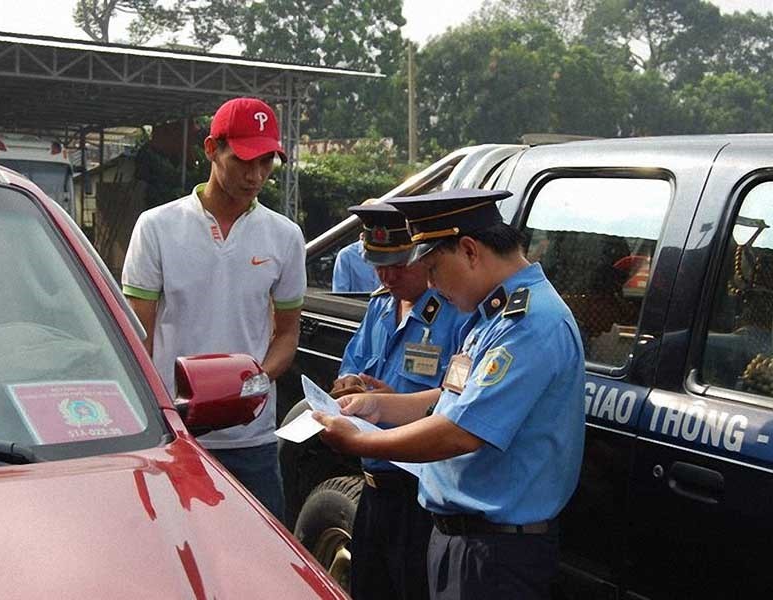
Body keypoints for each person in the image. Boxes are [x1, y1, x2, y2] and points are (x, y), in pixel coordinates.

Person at [314, 189, 586, 600]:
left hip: (496, 552)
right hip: (463, 540)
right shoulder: (490, 316)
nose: (434, 288)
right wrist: (377, 405)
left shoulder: (527, 324)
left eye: (435, 270)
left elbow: (460, 431)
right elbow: (448, 399)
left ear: (470, 250)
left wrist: (361, 441)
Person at [122, 97, 306, 521]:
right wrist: (159, 416)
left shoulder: (285, 237)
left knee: (260, 565)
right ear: (211, 149)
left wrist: (254, 381)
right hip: (176, 434)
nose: (255, 175)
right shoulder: (157, 227)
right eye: (243, 160)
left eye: (266, 162)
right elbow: (138, 337)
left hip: (252, 440)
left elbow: (287, 334)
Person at [330, 202, 468, 600]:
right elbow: (350, 368)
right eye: (378, 265)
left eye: (397, 265)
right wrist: (349, 384)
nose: (386, 276)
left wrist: (393, 403)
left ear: (424, 257)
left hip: (420, 494)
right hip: (373, 488)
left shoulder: (456, 315)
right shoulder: (379, 306)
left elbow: (459, 404)